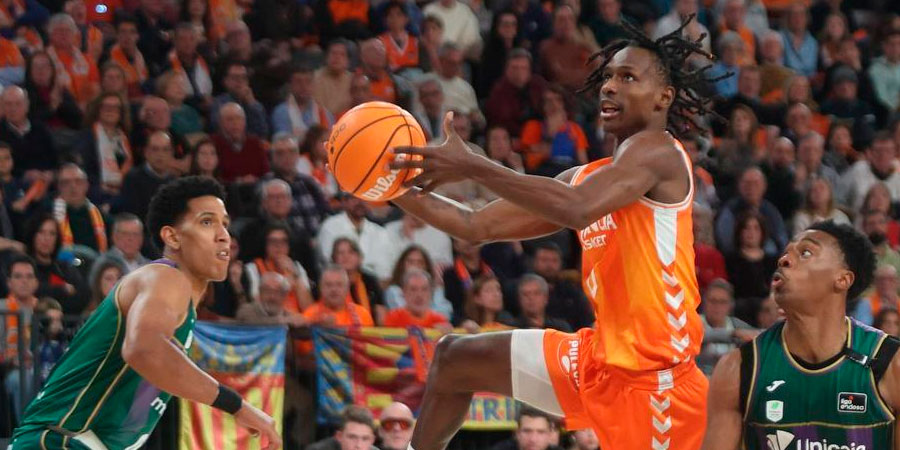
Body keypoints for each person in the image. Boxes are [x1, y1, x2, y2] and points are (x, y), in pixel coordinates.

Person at [390, 16, 713, 449]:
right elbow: (475, 224)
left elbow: (577, 209)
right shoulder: (585, 178)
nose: (609, 86)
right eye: (608, 76)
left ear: (663, 98)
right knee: (453, 359)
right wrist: (386, 185)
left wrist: (474, 165)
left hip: (657, 386)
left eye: (628, 77)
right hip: (598, 360)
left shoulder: (660, 153)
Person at [10, 176, 282, 449]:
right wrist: (238, 406)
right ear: (172, 236)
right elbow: (143, 349)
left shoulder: (177, 303)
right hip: (58, 440)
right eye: (207, 222)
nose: (224, 235)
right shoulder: (165, 277)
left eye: (225, 223)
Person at [700, 221, 900, 450]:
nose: (784, 260)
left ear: (842, 279)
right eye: (785, 253)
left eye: (805, 252)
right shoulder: (739, 368)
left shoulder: (889, 364)